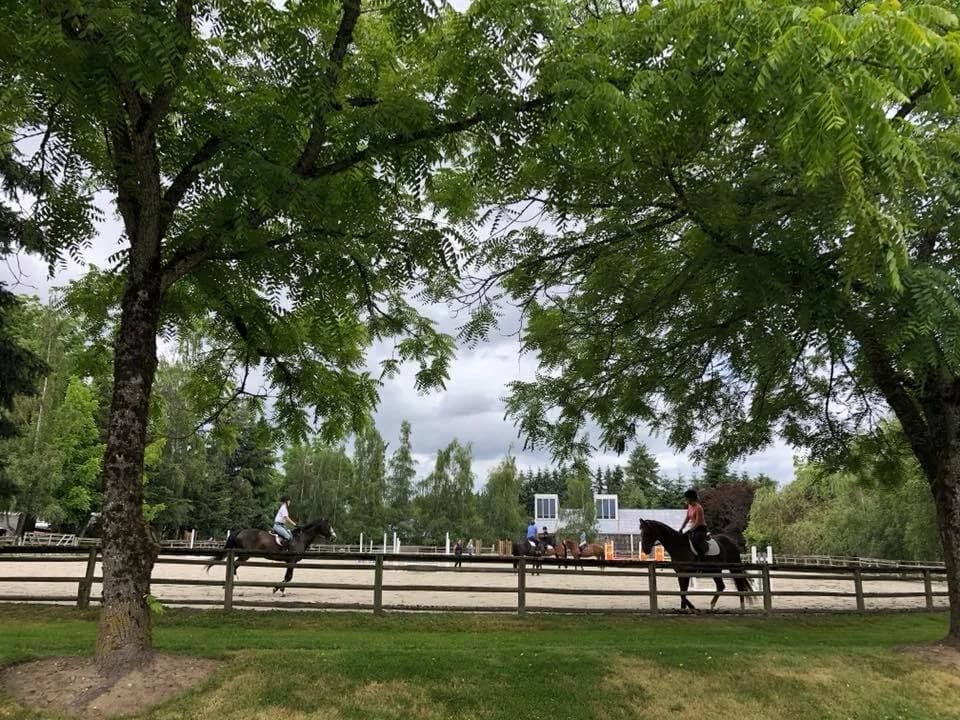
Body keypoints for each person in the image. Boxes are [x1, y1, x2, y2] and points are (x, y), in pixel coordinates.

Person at [679, 488, 708, 557]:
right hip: (693, 529)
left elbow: (698, 522)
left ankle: (702, 557)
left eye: (686, 498)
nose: (685, 500)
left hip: (700, 529)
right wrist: (681, 528)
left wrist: (690, 530)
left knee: (695, 541)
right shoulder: (689, 506)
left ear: (691, 498)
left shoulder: (699, 508)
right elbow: (687, 519)